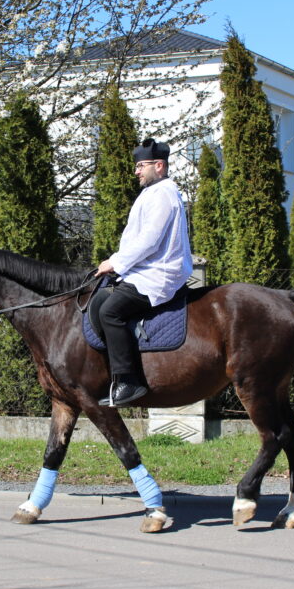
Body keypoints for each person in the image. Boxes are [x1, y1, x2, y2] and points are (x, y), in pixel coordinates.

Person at [93, 138, 193, 407]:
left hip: (157, 275)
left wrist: (115, 262)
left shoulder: (163, 194)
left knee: (110, 311)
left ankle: (129, 382)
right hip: (142, 271)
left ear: (158, 165)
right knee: (99, 300)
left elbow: (149, 240)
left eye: (141, 166)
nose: (136, 171)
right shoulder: (152, 192)